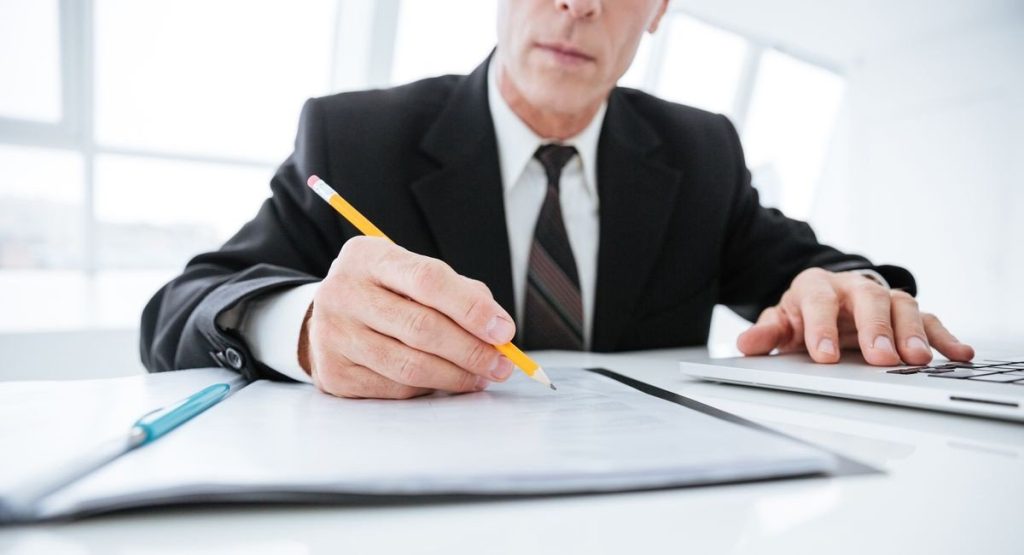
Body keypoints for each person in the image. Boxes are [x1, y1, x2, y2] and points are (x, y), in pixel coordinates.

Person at [140, 0, 974, 399]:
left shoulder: (702, 151)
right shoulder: (354, 138)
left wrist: (846, 287)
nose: (578, 5)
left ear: (657, 12)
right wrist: (308, 326)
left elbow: (807, 270)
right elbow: (181, 308)